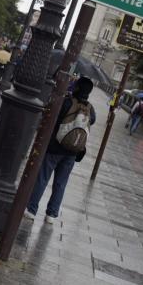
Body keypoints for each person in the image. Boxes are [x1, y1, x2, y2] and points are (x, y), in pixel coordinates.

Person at [25, 77, 96, 223]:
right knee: (61, 183)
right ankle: (51, 214)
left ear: (76, 87)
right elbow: (92, 121)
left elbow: (52, 117)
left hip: (55, 147)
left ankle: (32, 210)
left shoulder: (67, 101)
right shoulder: (90, 108)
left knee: (42, 178)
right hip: (72, 151)